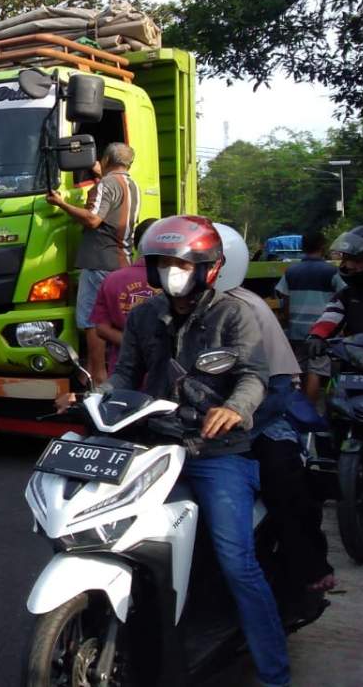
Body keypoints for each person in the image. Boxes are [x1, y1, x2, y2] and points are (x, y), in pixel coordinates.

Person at [70, 215, 289, 687]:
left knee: (236, 561)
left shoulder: (234, 314)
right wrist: (100, 398)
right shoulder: (146, 315)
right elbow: (127, 372)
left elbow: (254, 375)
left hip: (216, 452)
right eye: (164, 263)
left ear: (208, 267)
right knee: (116, 535)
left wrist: (234, 408)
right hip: (154, 445)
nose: (173, 271)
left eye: (182, 263)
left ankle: (274, 673)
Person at [214, 225, 334, 600]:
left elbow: (279, 387)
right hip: (193, 424)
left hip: (260, 419)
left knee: (283, 478)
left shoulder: (247, 308)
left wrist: (238, 420)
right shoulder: (166, 310)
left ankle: (309, 568)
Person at [46, 142, 140, 382]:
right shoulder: (132, 184)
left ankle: (97, 377)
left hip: (99, 262)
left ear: (106, 160)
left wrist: (62, 204)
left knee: (93, 321)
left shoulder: (106, 185)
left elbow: (93, 219)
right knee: (115, 320)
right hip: (122, 261)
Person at [303, 224, 363, 402]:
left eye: (357, 260)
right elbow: (331, 315)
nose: (348, 266)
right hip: (354, 367)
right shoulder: (348, 294)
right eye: (347, 259)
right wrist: (317, 336)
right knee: (337, 408)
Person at [86, 218, 158, 380]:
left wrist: (132, 342)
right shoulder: (176, 281)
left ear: (135, 245)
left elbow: (101, 329)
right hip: (163, 377)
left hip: (123, 375)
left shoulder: (112, 280)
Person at [276, 231, 344, 353]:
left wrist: (288, 323)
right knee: (318, 369)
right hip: (321, 334)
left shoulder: (290, 271)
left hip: (295, 332)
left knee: (298, 368)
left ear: (302, 246)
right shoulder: (332, 271)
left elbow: (285, 300)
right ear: (322, 246)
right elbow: (344, 298)